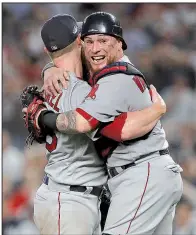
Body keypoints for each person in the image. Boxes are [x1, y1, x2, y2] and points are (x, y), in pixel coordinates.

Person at [36, 12, 183, 235]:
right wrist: (157, 109)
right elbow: (120, 129)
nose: (95, 48)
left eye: (103, 41)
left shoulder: (107, 82)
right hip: (77, 197)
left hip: (142, 175)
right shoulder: (87, 85)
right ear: (80, 42)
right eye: (90, 41)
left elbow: (92, 124)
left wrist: (42, 116)